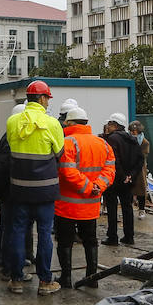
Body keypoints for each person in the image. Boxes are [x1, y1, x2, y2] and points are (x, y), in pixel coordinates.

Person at [5, 80, 65, 294]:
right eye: (48, 98)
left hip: (19, 189)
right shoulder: (52, 124)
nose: (48, 102)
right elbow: (59, 153)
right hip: (45, 191)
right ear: (41, 98)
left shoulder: (13, 122)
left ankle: (16, 279)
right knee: (44, 234)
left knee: (18, 232)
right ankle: (45, 281)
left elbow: (13, 148)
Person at [53, 107, 115, 289]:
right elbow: (110, 170)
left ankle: (65, 278)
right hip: (91, 205)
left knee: (65, 242)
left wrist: (87, 187)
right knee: (90, 240)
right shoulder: (102, 143)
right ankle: (92, 277)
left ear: (70, 123)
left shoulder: (67, 142)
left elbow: (67, 171)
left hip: (67, 205)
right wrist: (97, 187)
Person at [0, 104, 28, 279]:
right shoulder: (11, 140)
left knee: (5, 226)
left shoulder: (6, 137)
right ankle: (6, 265)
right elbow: (4, 168)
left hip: (5, 190)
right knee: (10, 228)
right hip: (10, 192)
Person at [100, 113, 141, 248]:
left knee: (112, 208)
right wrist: (131, 176)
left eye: (110, 124)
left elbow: (114, 160)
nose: (108, 127)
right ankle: (129, 236)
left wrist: (123, 176)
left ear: (115, 125)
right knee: (127, 208)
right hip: (128, 181)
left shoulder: (112, 139)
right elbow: (140, 160)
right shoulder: (133, 139)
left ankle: (112, 237)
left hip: (115, 180)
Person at [128, 120, 151, 212]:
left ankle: (142, 209)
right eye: (131, 131)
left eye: (134, 131)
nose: (132, 133)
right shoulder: (128, 140)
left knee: (141, 189)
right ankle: (129, 209)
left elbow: (143, 156)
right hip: (129, 167)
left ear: (139, 131)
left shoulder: (144, 142)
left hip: (140, 168)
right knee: (129, 189)